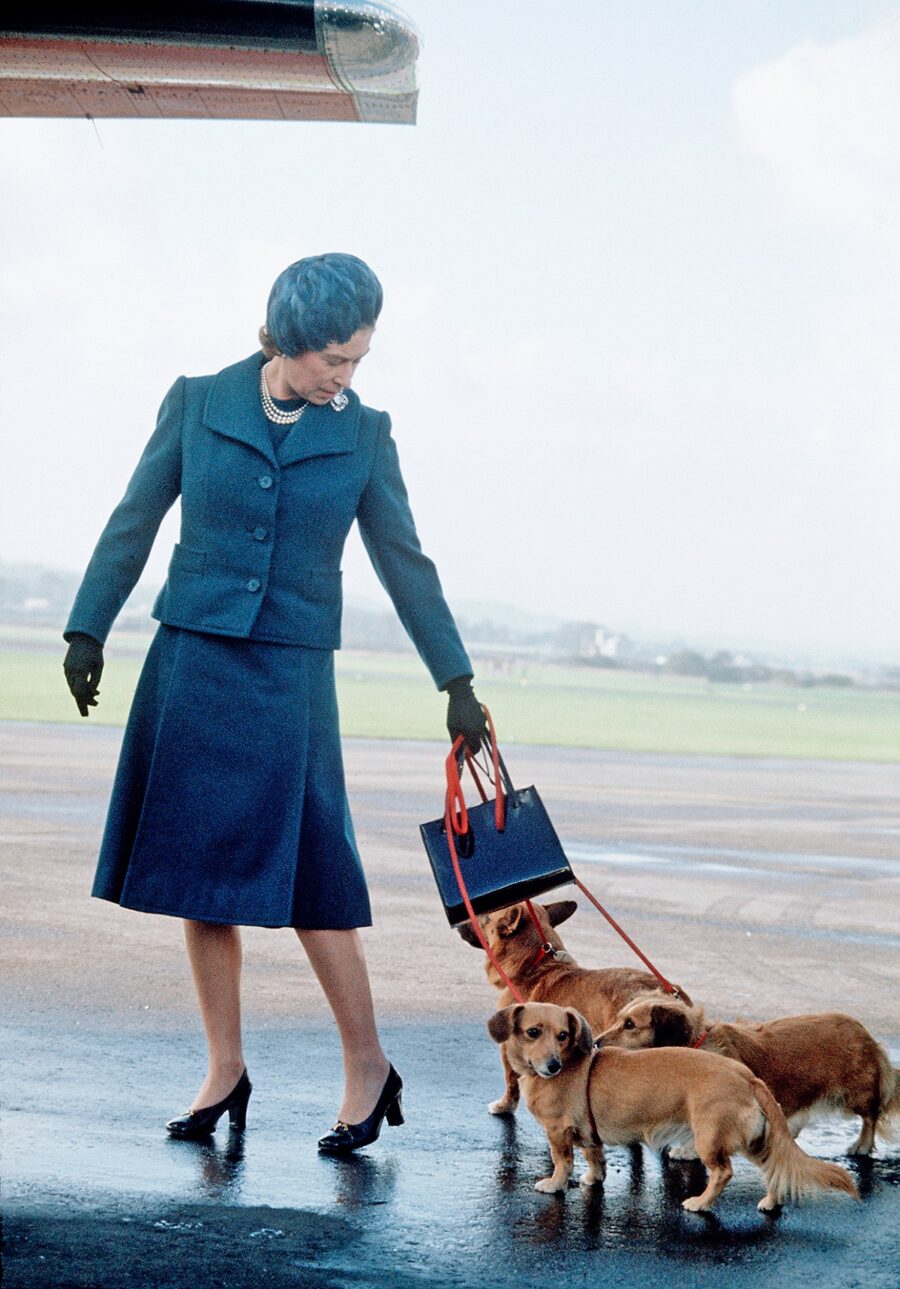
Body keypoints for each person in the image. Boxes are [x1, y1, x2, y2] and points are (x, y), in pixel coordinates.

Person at [63, 253, 488, 1153]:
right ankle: (225, 1067)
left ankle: (368, 1064)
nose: (345, 375)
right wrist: (86, 626)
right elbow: (133, 517)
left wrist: (456, 679)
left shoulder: (365, 435)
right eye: (333, 358)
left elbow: (404, 559)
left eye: (357, 360)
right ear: (285, 339)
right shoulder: (196, 401)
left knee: (313, 879)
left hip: (291, 675)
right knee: (197, 874)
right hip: (193, 659)